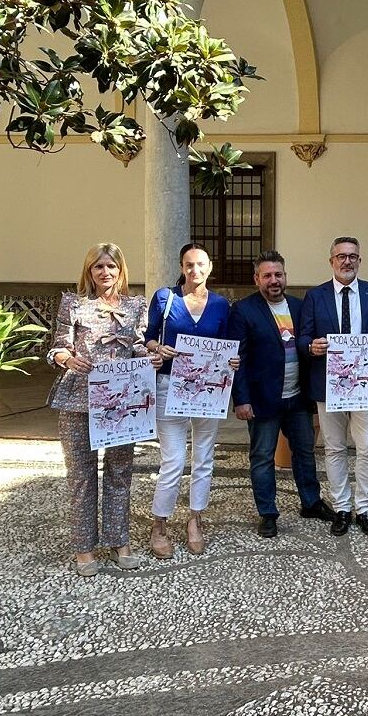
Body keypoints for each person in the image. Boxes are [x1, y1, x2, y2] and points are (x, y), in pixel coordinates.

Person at [46, 243, 161, 576]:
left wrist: (148, 357)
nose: (105, 272)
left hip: (122, 401)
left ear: (120, 270)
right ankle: (84, 547)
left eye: (111, 266)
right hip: (77, 401)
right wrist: (65, 357)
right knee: (81, 477)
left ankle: (119, 540)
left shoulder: (137, 306)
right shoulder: (74, 304)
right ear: (89, 271)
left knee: (120, 472)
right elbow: (57, 347)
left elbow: (139, 344)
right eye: (98, 267)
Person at [228, 250, 333, 539]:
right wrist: (242, 399)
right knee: (262, 457)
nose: (274, 280)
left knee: (304, 452)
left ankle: (310, 502)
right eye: (267, 276)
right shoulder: (244, 310)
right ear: (256, 279)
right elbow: (238, 358)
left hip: (298, 397)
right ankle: (268, 513)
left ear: (285, 276)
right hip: (263, 400)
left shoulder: (301, 307)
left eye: (278, 274)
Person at [143, 243, 236, 558]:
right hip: (170, 386)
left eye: (200, 264)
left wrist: (232, 361)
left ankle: (195, 519)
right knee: (172, 461)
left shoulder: (221, 305)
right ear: (182, 267)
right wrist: (157, 348)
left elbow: (226, 346)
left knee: (204, 458)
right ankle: (159, 524)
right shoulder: (164, 298)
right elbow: (147, 336)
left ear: (210, 267)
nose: (194, 271)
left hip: (208, 391)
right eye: (188, 265)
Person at [300, 236, 368, 538]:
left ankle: (364, 507)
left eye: (353, 256)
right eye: (341, 256)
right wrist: (311, 346)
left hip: (365, 385)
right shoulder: (315, 296)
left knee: (367, 447)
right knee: (335, 447)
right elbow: (303, 338)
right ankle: (342, 507)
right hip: (329, 385)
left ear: (359, 261)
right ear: (331, 261)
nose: (347, 261)